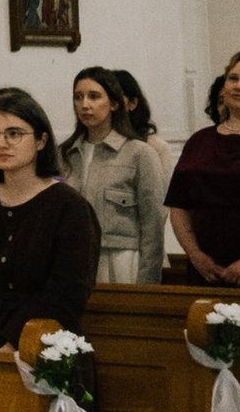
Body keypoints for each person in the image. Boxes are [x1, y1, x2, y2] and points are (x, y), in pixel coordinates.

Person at [0, 88, 102, 351]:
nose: (2, 143)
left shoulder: (70, 208)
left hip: (50, 348)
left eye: (14, 134)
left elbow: (68, 292)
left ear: (41, 141)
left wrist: (12, 343)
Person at [166, 49, 240, 285]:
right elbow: (178, 205)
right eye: (233, 78)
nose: (239, 86)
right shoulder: (200, 140)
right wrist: (196, 255)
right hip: (203, 266)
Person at [62, 69, 168, 286]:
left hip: (121, 259)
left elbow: (153, 224)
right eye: (78, 97)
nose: (84, 105)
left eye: (94, 96)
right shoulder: (64, 154)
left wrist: (147, 283)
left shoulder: (139, 153)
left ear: (114, 104)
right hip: (73, 258)